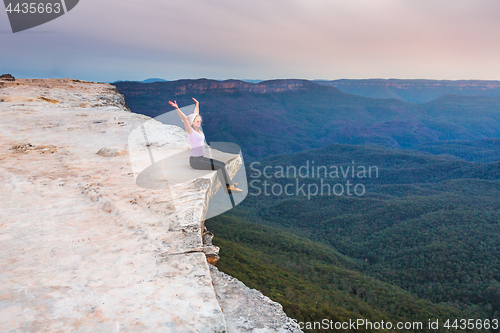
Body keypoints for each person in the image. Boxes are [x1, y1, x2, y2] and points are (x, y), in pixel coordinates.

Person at [169, 98, 242, 194]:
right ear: (192, 123)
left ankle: (228, 186)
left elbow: (196, 115)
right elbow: (185, 119)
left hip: (201, 158)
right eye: (196, 121)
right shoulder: (191, 131)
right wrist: (177, 108)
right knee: (219, 167)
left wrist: (197, 104)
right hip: (195, 161)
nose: (199, 122)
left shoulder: (198, 130)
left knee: (222, 164)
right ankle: (229, 187)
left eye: (199, 121)